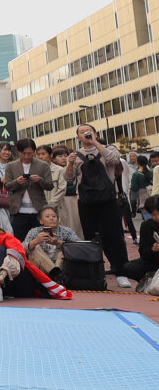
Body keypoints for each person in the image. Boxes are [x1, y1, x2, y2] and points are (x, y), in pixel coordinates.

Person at [64, 124, 131, 288]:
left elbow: (114, 161)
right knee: (91, 238)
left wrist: (96, 143)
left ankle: (122, 272)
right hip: (86, 203)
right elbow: (69, 179)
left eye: (88, 131)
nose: (85, 133)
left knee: (115, 236)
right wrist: (70, 164)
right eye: (81, 132)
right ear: (78, 137)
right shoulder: (75, 155)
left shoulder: (108, 149)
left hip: (108, 201)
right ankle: (96, 272)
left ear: (95, 133)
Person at [3, 138, 54, 242]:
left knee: (42, 241)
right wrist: (17, 182)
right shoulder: (11, 166)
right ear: (18, 151)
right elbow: (7, 186)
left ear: (34, 152)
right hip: (18, 210)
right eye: (23, 153)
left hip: (38, 209)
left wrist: (39, 180)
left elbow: (49, 185)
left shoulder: (42, 165)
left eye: (30, 153)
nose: (27, 156)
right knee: (21, 242)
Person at [22, 206, 80, 279]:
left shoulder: (67, 231)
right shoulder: (34, 231)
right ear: (41, 221)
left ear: (58, 219)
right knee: (34, 246)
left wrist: (58, 243)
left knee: (66, 247)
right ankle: (55, 273)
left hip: (61, 267)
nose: (51, 218)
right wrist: (36, 241)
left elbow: (79, 246)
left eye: (54, 216)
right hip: (40, 268)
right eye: (47, 216)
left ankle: (56, 274)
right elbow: (22, 249)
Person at [125, 196, 159, 289]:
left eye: (157, 214)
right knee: (128, 268)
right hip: (153, 262)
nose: (156, 217)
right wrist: (152, 249)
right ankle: (149, 278)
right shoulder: (146, 226)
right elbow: (143, 253)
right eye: (153, 215)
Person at [51, 146, 82, 236]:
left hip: (74, 199)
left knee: (77, 224)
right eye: (60, 156)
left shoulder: (72, 167)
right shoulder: (54, 170)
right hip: (62, 201)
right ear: (53, 158)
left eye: (65, 156)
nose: (64, 158)